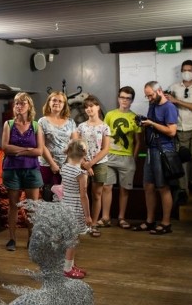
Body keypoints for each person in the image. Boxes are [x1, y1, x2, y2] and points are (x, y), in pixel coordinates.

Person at [1, 92, 44, 251]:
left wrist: (19, 151)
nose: (19, 106)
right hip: (12, 170)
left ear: (29, 106)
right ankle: (12, 239)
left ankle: (32, 239)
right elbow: (5, 147)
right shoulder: (9, 124)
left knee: (32, 206)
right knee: (13, 204)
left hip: (31, 170)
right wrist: (27, 149)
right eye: (17, 103)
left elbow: (39, 151)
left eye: (22, 103)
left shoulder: (36, 126)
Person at [133, 81, 178, 235]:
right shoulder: (152, 105)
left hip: (164, 149)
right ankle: (150, 221)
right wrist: (144, 122)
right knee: (148, 186)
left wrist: (152, 123)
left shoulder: (169, 107)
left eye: (151, 95)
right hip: (151, 150)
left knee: (163, 187)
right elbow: (152, 125)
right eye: (147, 96)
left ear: (159, 91)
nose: (149, 99)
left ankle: (166, 223)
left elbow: (172, 132)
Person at [104, 86, 142, 229]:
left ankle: (121, 218)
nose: (124, 100)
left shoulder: (135, 117)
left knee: (124, 189)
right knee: (106, 187)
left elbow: (138, 141)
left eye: (128, 98)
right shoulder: (109, 115)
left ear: (131, 100)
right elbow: (104, 136)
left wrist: (134, 157)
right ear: (118, 98)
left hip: (127, 158)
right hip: (110, 156)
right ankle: (105, 217)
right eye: (122, 97)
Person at [166, 59, 192, 198]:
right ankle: (183, 188)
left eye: (189, 70)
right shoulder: (174, 87)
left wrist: (176, 100)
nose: (186, 72)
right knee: (182, 158)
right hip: (180, 127)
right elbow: (167, 103)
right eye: (184, 70)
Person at [76, 95, 110, 235]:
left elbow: (105, 148)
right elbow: (77, 146)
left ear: (97, 107)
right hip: (82, 163)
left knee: (97, 194)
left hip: (99, 163)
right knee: (82, 193)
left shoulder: (104, 127)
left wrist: (91, 163)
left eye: (91, 106)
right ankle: (83, 222)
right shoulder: (81, 127)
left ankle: (94, 224)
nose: (89, 109)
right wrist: (85, 163)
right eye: (86, 107)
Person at [60, 139, 92, 279]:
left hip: (65, 203)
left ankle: (70, 264)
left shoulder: (65, 167)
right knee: (72, 239)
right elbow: (83, 195)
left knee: (70, 237)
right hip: (75, 206)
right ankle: (67, 268)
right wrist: (88, 216)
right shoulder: (81, 173)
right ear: (84, 154)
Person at [38, 91, 78, 201]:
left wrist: (68, 164)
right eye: (54, 100)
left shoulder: (71, 122)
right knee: (48, 198)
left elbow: (75, 144)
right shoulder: (42, 121)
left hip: (67, 166)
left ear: (64, 104)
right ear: (49, 103)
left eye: (60, 101)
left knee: (64, 199)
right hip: (47, 165)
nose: (57, 103)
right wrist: (52, 164)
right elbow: (41, 145)